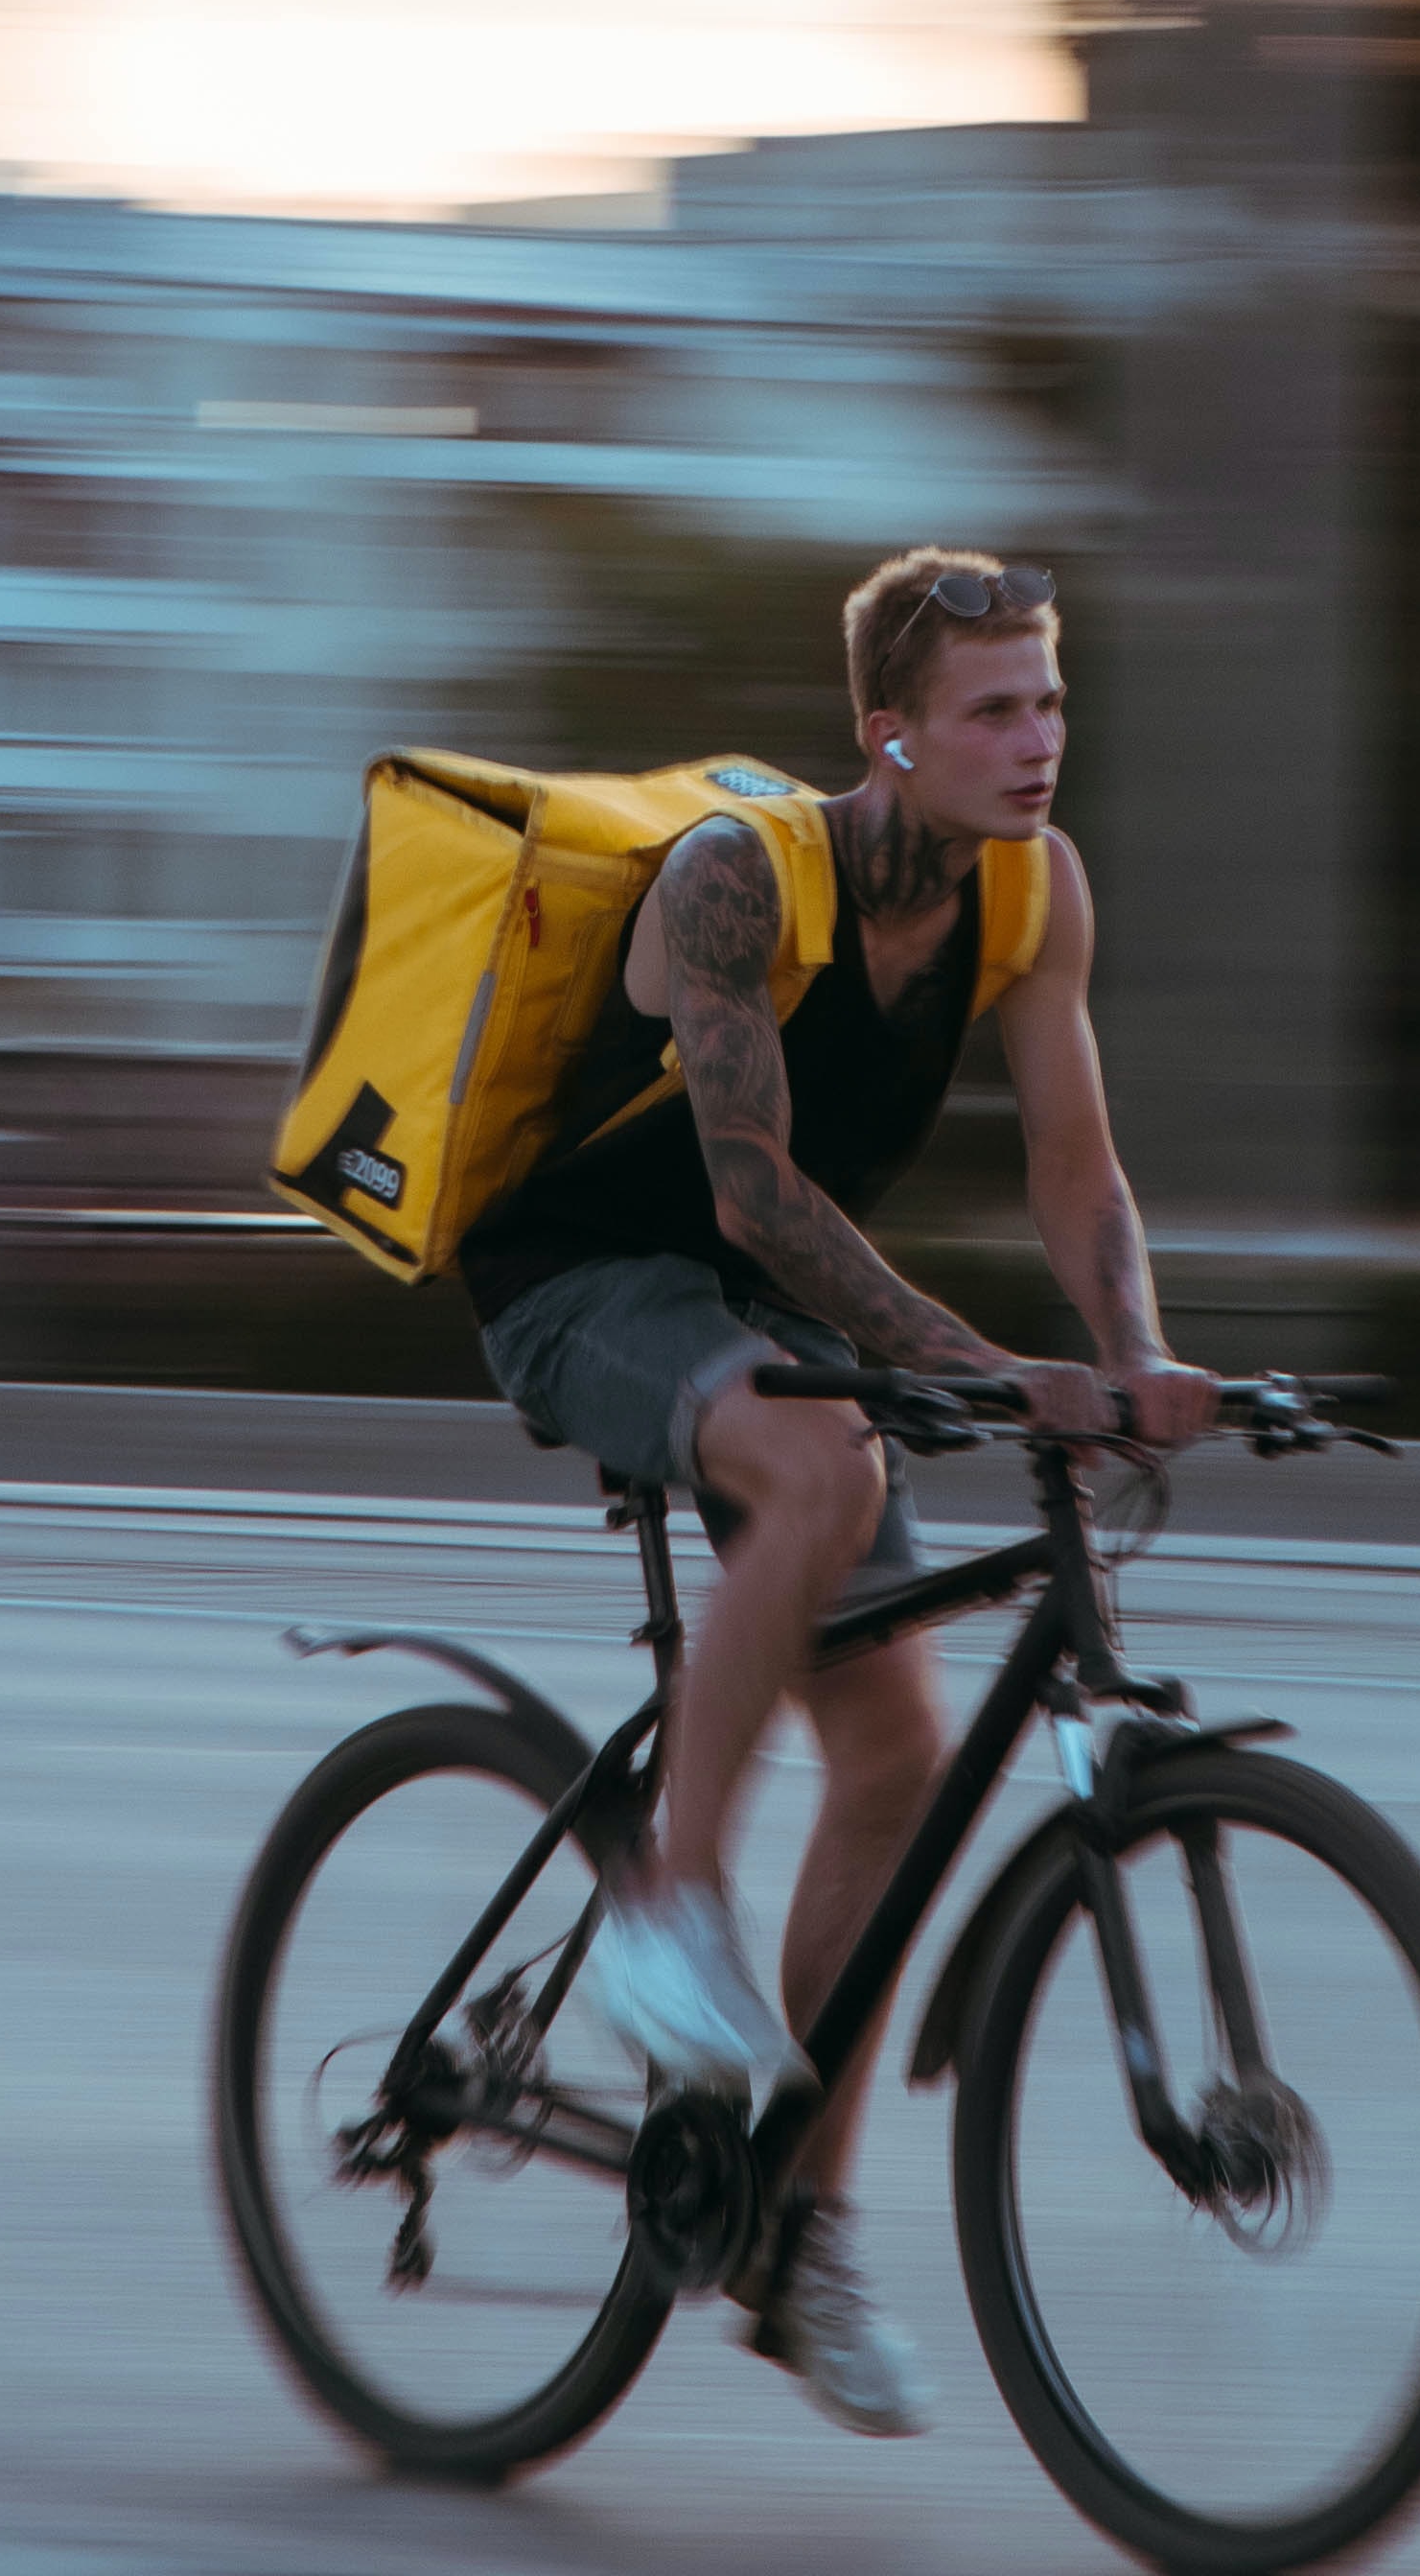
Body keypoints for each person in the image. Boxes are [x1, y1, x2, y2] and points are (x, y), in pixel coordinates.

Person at [458, 547, 1221, 2437]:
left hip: (754, 1314)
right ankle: (662, 1900)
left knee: (894, 1749)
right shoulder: (744, 879)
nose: (1036, 738)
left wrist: (1129, 1346)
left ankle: (789, 2229)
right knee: (827, 1449)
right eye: (993, 706)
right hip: (582, 1281)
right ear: (891, 727)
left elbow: (1077, 1166)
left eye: (1049, 699)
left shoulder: (1031, 892)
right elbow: (748, 1197)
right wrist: (981, 1362)